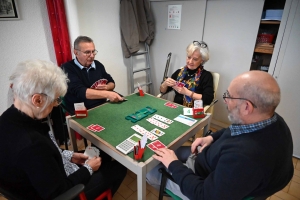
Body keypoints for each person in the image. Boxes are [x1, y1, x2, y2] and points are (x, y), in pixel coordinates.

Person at [146, 71, 294, 200]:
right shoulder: (272, 120)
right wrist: (211, 137)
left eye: (229, 96)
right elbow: (234, 129)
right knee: (171, 152)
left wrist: (173, 164)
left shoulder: (245, 157)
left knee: (149, 169)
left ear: (246, 107)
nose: (225, 100)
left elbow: (204, 195)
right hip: (209, 162)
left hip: (202, 183)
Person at [0, 60, 127, 200]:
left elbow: (43, 160)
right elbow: (59, 192)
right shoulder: (32, 145)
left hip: (45, 179)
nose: (55, 105)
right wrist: (88, 169)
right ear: (37, 100)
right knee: (119, 168)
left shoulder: (6, 119)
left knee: (102, 161)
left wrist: (68, 155)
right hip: (66, 193)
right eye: (55, 100)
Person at [62, 36, 124, 113]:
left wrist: (107, 87)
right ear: (76, 52)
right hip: (80, 111)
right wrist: (107, 94)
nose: (92, 56)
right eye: (87, 52)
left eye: (93, 51)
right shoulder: (66, 68)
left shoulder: (98, 65)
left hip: (102, 105)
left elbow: (112, 82)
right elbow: (80, 91)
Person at [160, 41, 214, 108]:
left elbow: (208, 99)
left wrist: (187, 92)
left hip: (194, 112)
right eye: (189, 57)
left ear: (202, 60)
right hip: (176, 108)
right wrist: (165, 84)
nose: (190, 61)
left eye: (195, 59)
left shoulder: (206, 76)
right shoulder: (179, 72)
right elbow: (162, 91)